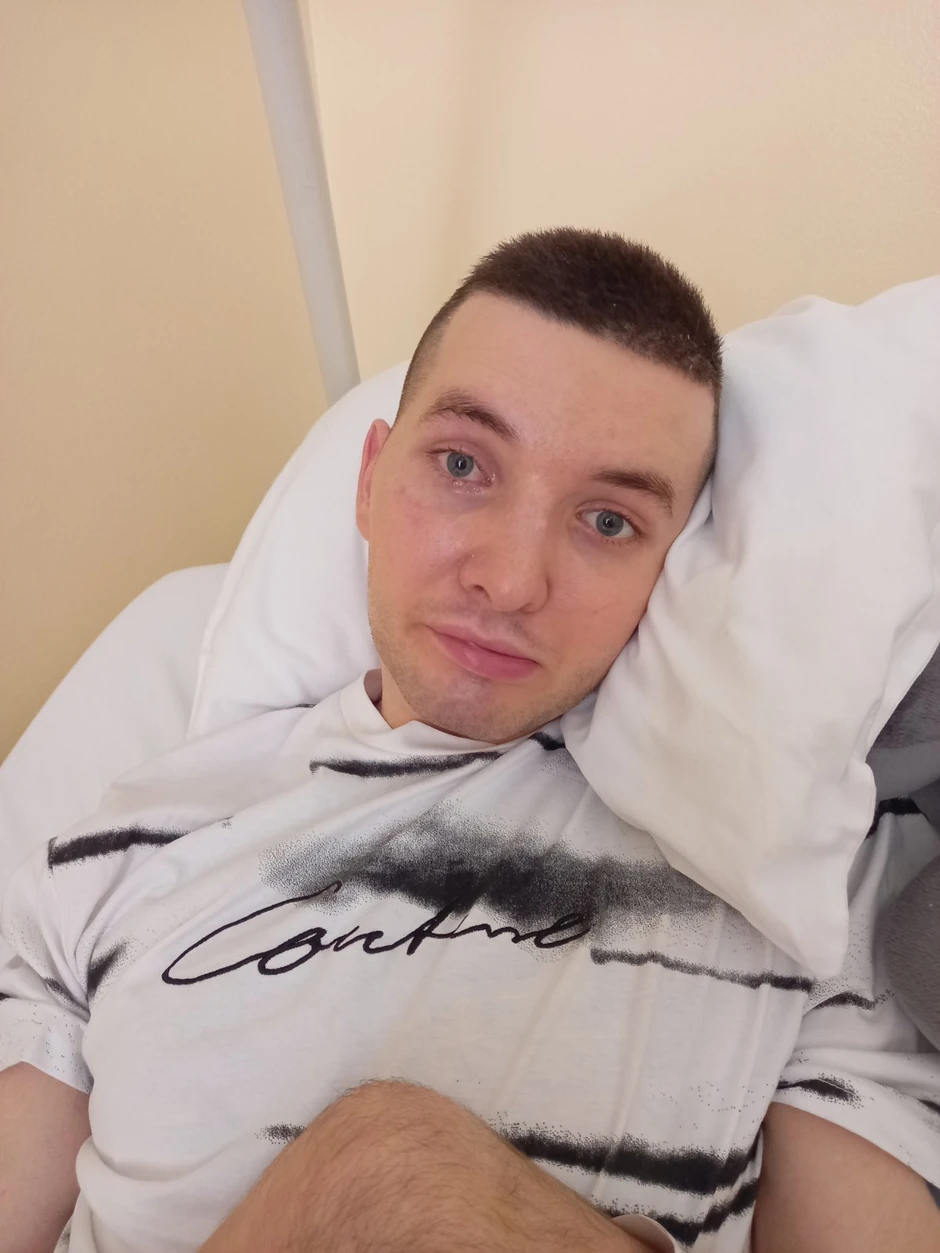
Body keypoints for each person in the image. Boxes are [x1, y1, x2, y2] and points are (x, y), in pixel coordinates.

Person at [1, 229, 938, 1253]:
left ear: (674, 565)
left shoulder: (793, 872)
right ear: (368, 479)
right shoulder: (118, 851)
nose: (511, 578)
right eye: (462, 465)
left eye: (608, 521)